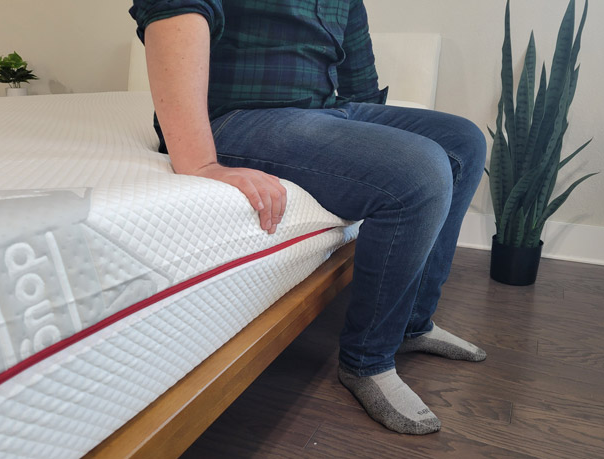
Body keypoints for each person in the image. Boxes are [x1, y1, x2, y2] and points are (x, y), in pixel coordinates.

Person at [130, 0, 487, 435]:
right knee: (420, 170)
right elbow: (173, 9)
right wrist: (201, 163)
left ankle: (413, 322)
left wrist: (367, 141)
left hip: (326, 108)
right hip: (237, 115)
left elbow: (358, 81)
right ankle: (367, 361)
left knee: (463, 141)